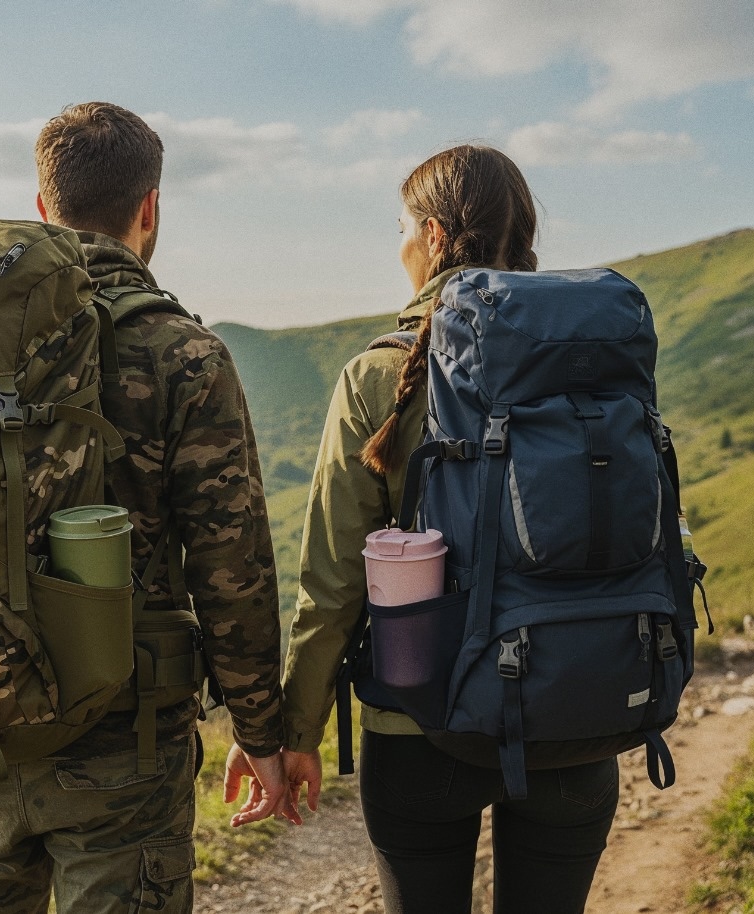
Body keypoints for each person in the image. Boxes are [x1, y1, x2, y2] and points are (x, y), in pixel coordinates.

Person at [0, 101, 292, 914]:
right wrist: (261, 735)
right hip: (123, 744)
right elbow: (231, 569)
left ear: (42, 207)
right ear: (150, 207)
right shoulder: (185, 355)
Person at [278, 145, 620, 914]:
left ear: (432, 236)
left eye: (398, 227)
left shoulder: (379, 374)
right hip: (578, 711)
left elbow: (333, 584)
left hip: (420, 729)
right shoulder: (596, 357)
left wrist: (295, 730)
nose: (396, 243)